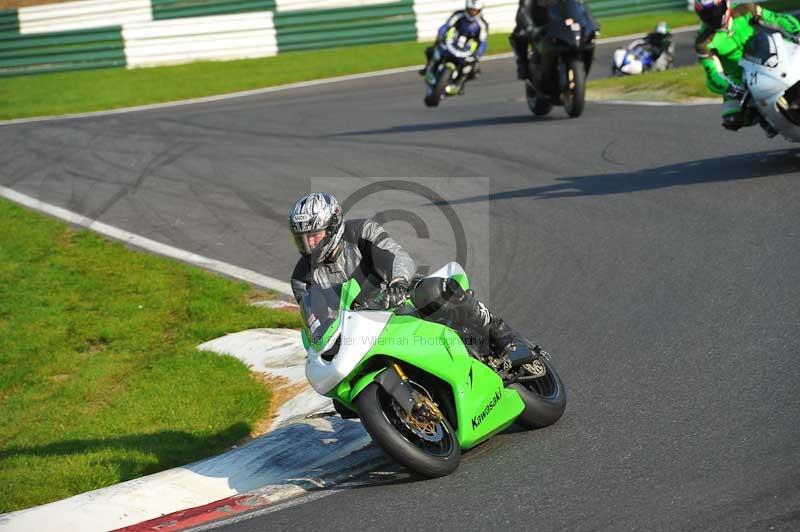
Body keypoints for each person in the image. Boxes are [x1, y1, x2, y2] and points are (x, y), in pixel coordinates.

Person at [289, 192, 529, 363]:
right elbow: (313, 320)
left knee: (432, 291)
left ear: (332, 227)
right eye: (303, 238)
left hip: (399, 299)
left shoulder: (361, 231)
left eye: (315, 235)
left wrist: (398, 283)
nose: (310, 243)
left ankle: (498, 331)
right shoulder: (302, 277)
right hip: (361, 329)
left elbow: (398, 256)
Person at [694, 0, 800, 133]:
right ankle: (764, 118)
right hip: (740, 78)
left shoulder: (745, 10)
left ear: (726, 4)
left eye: (715, 11)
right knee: (732, 118)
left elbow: (777, 19)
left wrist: (796, 32)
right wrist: (732, 89)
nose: (713, 16)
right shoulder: (703, 42)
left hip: (770, 56)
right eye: (706, 14)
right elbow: (713, 76)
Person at [418, 0, 489, 91]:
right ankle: (428, 68)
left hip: (467, 48)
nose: (472, 13)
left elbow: (482, 42)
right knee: (431, 50)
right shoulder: (458, 15)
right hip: (453, 42)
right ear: (467, 8)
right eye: (471, 10)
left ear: (480, 10)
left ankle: (460, 84)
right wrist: (441, 35)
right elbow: (446, 26)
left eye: (475, 11)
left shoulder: (482, 24)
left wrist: (478, 54)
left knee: (474, 70)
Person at [509, 0, 551, 80]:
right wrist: (530, 28)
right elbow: (523, 12)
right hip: (536, 27)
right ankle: (523, 64)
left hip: (558, 26)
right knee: (519, 34)